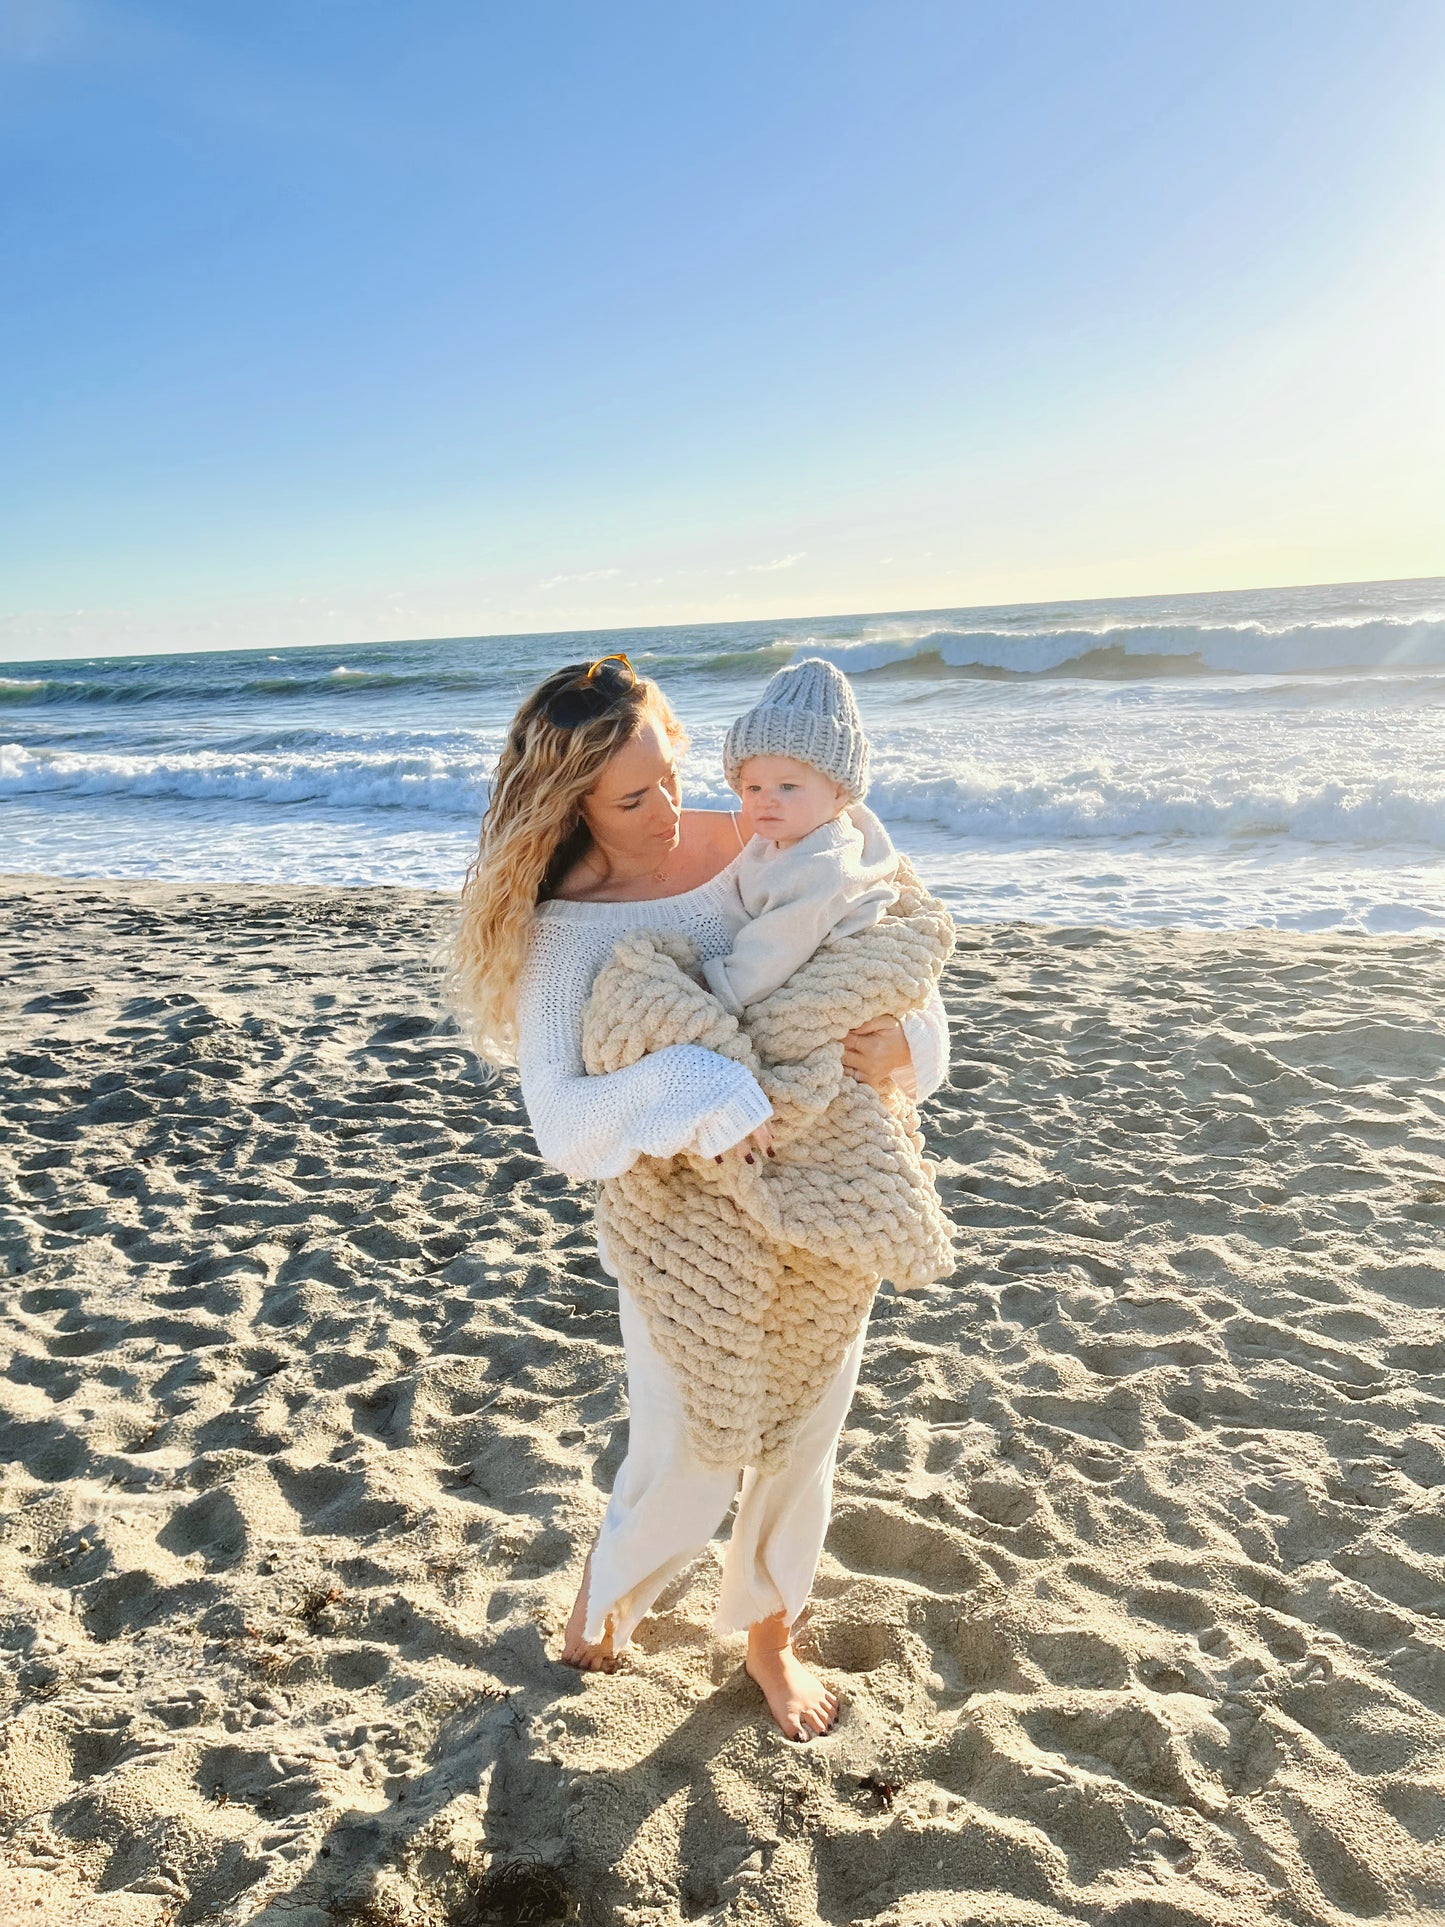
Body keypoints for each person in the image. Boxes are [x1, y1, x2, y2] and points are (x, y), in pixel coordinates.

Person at [449, 653, 950, 1742]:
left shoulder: (780, 829)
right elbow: (562, 1124)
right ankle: (608, 1589)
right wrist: (700, 1085)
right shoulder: (563, 932)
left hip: (824, 1193)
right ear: (568, 804)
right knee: (683, 1450)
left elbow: (894, 953)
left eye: (674, 773)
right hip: (682, 1231)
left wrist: (909, 1045)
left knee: (803, 1435)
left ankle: (769, 1636)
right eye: (634, 797)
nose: (674, 811)